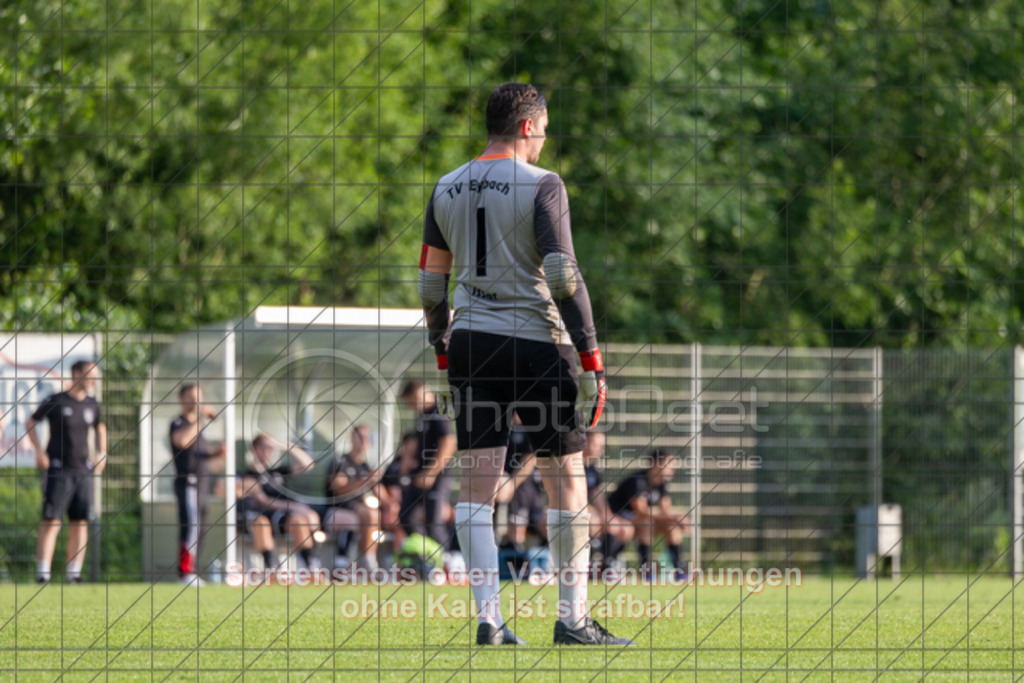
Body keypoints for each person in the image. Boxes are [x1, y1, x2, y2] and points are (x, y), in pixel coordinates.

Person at [417, 82, 631, 646]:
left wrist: (443, 347)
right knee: (568, 481)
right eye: (545, 127)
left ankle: (490, 620)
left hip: (470, 343)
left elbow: (429, 281)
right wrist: (591, 355)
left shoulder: (445, 185)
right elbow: (562, 274)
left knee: (476, 486)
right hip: (537, 342)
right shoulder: (544, 184)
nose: (545, 139)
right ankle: (573, 620)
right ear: (529, 126)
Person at [27, 360, 106, 584]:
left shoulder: (92, 404)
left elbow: (101, 427)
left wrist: (102, 452)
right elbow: (31, 422)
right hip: (59, 471)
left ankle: (74, 574)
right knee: (52, 521)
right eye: (91, 375)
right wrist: (39, 451)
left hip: (83, 471)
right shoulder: (57, 401)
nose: (94, 380)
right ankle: (43, 573)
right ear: (76, 375)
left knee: (80, 522)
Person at [169, 383, 226, 585]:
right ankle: (185, 572)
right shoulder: (179, 423)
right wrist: (201, 418)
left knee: (201, 527)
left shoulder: (199, 428)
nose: (196, 401)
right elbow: (182, 441)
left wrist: (217, 453)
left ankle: (191, 570)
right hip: (188, 483)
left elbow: (199, 454)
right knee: (191, 526)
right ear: (182, 399)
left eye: (198, 397)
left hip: (202, 484)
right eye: (191, 397)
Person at [240, 433, 322, 570]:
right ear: (255, 449)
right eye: (264, 447)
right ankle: (271, 567)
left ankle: (311, 565)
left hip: (282, 516)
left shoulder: (277, 472)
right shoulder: (248, 476)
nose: (268, 452)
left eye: (271, 448)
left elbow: (308, 465)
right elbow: (263, 501)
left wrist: (288, 447)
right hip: (262, 515)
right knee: (262, 523)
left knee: (299, 520)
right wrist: (296, 506)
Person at [606, 448, 691, 579]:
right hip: (619, 518)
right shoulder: (637, 480)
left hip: (640, 520)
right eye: (669, 465)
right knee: (647, 522)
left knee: (672, 526)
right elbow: (641, 511)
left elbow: (665, 510)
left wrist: (677, 518)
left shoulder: (662, 484)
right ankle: (646, 569)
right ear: (656, 464)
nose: (672, 470)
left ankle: (679, 569)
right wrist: (674, 516)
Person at [398, 380, 457, 550]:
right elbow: (417, 441)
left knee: (434, 520)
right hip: (420, 473)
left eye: (411, 400)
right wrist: (406, 460)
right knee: (406, 515)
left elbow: (449, 442)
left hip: (437, 475)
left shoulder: (438, 412)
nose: (410, 405)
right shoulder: (422, 415)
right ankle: (426, 553)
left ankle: (446, 560)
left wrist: (431, 472)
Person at [323, 424, 387, 571]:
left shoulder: (366, 466)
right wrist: (367, 480)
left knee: (373, 515)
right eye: (361, 437)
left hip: (357, 511)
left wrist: (392, 506)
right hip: (337, 509)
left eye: (367, 438)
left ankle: (364, 563)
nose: (364, 441)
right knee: (366, 515)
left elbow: (380, 492)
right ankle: (364, 563)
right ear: (353, 439)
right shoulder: (341, 461)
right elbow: (338, 488)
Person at [582, 431, 634, 572]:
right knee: (593, 522)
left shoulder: (594, 469)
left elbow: (598, 496)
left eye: (602, 446)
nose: (599, 449)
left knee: (625, 529)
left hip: (590, 512)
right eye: (595, 445)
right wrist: (593, 512)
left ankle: (608, 565)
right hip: (575, 512)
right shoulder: (573, 465)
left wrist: (608, 515)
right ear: (584, 442)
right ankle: (590, 565)